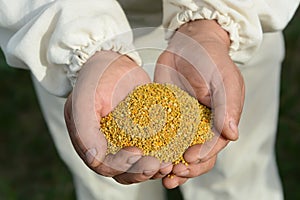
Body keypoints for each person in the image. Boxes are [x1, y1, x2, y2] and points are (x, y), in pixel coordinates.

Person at [0, 0, 299, 199]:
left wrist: (212, 26)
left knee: (239, 173)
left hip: (235, 25)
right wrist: (83, 46)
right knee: (109, 186)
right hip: (66, 30)